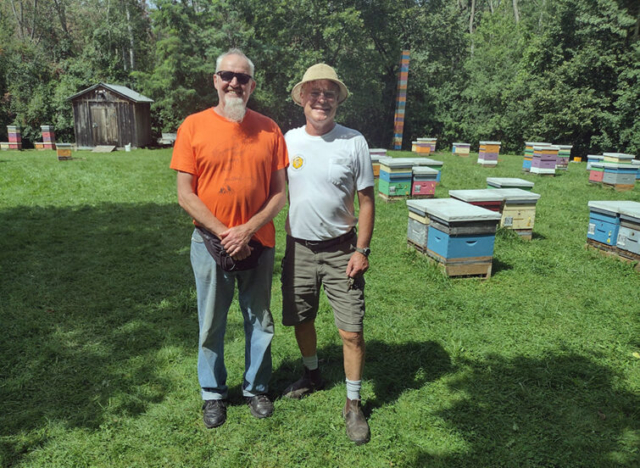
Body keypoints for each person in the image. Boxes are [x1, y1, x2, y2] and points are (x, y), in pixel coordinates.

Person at [170, 49, 288, 429]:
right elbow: (185, 193)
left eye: (242, 77)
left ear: (252, 85)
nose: (234, 83)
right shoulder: (193, 126)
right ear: (215, 80)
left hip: (260, 241)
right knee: (211, 322)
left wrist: (248, 229)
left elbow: (279, 194)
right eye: (227, 75)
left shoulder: (270, 129)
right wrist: (226, 232)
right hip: (209, 242)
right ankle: (213, 394)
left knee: (260, 319)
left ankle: (256, 388)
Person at [281, 63, 375, 445]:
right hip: (298, 248)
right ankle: (312, 374)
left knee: (350, 330)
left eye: (329, 93)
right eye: (315, 92)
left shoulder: (354, 141)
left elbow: (367, 201)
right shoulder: (287, 140)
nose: (322, 99)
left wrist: (362, 249)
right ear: (302, 98)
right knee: (301, 318)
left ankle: (353, 403)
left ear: (338, 100)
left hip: (342, 250)